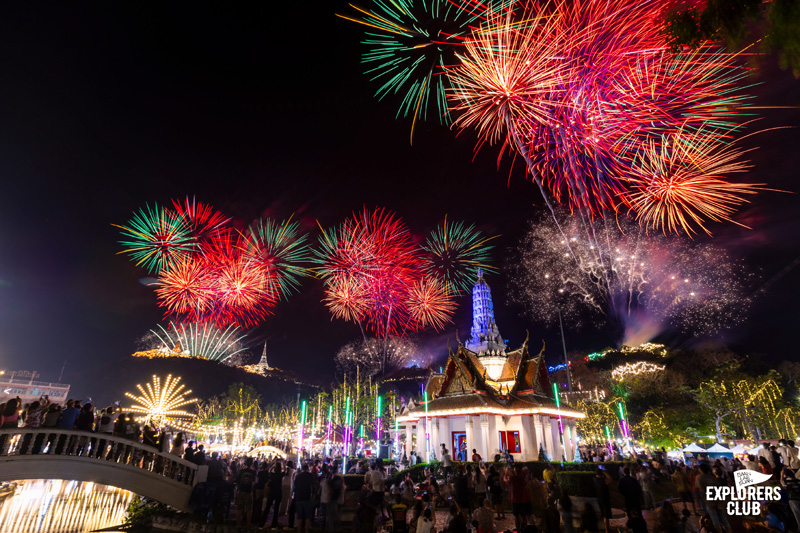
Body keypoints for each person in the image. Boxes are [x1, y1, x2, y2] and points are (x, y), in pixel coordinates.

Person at [293, 462, 316, 533]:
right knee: (307, 516)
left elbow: (295, 487)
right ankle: (306, 530)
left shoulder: (298, 476)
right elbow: (313, 486)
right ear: (308, 469)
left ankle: (299, 530)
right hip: (307, 497)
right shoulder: (311, 476)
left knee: (299, 515)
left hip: (299, 497)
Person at [261, 461, 284, 528]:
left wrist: (273, 466)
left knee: (267, 508)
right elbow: (285, 471)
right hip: (278, 492)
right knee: (276, 509)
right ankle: (274, 525)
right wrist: (282, 465)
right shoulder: (281, 475)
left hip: (272, 492)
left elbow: (269, 470)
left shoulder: (272, 474)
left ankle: (262, 524)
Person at [235, 456, 256, 527]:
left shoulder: (241, 471)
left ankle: (238, 523)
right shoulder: (253, 472)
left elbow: (237, 480)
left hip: (241, 489)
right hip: (248, 491)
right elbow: (254, 481)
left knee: (239, 507)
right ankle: (248, 523)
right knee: (249, 508)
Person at [593, 467, 613, 532]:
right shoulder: (603, 480)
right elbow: (610, 479)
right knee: (606, 515)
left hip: (599, 499)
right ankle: (607, 530)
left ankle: (605, 528)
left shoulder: (595, 480)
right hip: (605, 499)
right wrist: (605, 472)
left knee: (603, 514)